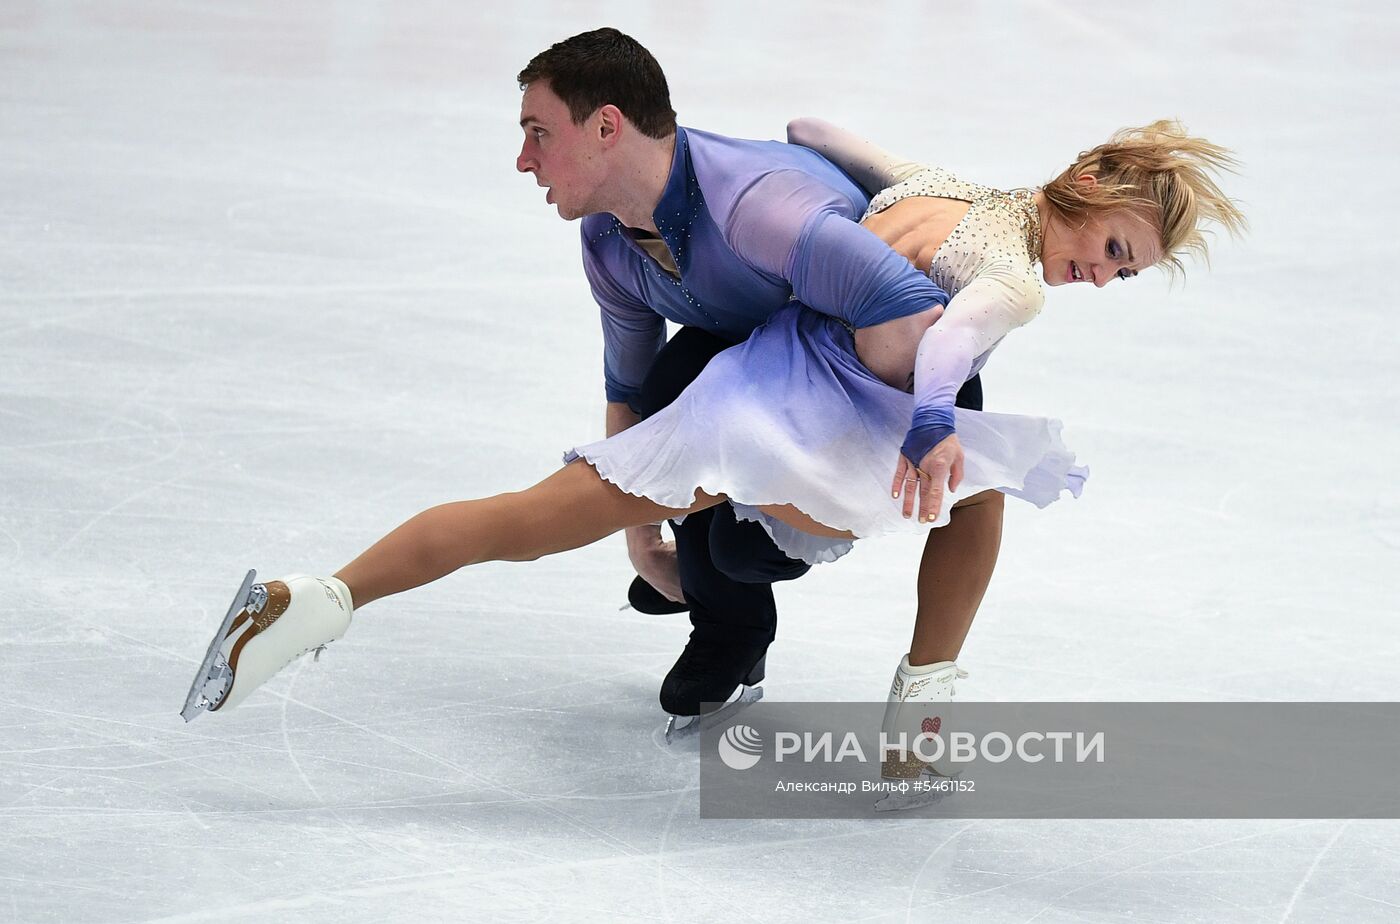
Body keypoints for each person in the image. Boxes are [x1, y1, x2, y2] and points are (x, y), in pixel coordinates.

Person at [181, 100, 1244, 766]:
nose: (1098, 274)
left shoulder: (936, 185)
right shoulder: (1015, 278)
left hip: (750, 380)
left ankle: (315, 601)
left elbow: (812, 130)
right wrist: (929, 423)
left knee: (538, 517)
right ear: (1090, 185)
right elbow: (957, 333)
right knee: (978, 485)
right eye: (1111, 246)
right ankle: (922, 703)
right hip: (823, 426)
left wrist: (863, 196)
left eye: (1121, 271)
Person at [512, 27, 993, 722]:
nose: (525, 160)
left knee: (738, 547)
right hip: (760, 354)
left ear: (607, 126)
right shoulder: (609, 238)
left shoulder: (758, 207)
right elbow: (629, 380)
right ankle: (728, 624)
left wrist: (924, 427)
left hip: (882, 369)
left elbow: (920, 313)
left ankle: (724, 575)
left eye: (539, 133)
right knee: (666, 388)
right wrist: (640, 531)